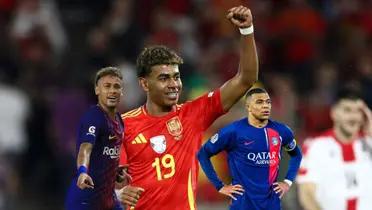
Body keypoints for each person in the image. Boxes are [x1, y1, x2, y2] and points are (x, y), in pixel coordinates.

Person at [117, 5, 259, 210]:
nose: (173, 84)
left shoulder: (192, 115)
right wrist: (118, 193)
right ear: (144, 84)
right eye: (164, 78)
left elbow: (246, 78)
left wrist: (247, 31)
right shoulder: (124, 126)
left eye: (176, 77)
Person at [197, 87, 303, 210]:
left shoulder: (281, 131)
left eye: (268, 102)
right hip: (242, 205)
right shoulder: (233, 131)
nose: (265, 106)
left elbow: (296, 155)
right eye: (259, 102)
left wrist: (287, 182)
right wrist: (220, 186)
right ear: (248, 107)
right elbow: (203, 154)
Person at [65, 67, 143, 210]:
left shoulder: (119, 120)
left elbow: (108, 152)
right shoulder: (94, 117)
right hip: (86, 199)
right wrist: (82, 172)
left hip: (107, 198)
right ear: (97, 90)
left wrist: (117, 171)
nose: (112, 90)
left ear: (122, 91)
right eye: (107, 86)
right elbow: (85, 148)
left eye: (116, 86)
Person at [297, 86, 372, 210]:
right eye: (347, 110)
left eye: (358, 111)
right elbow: (306, 193)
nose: (353, 117)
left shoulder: (369, 143)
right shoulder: (316, 146)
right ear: (334, 113)